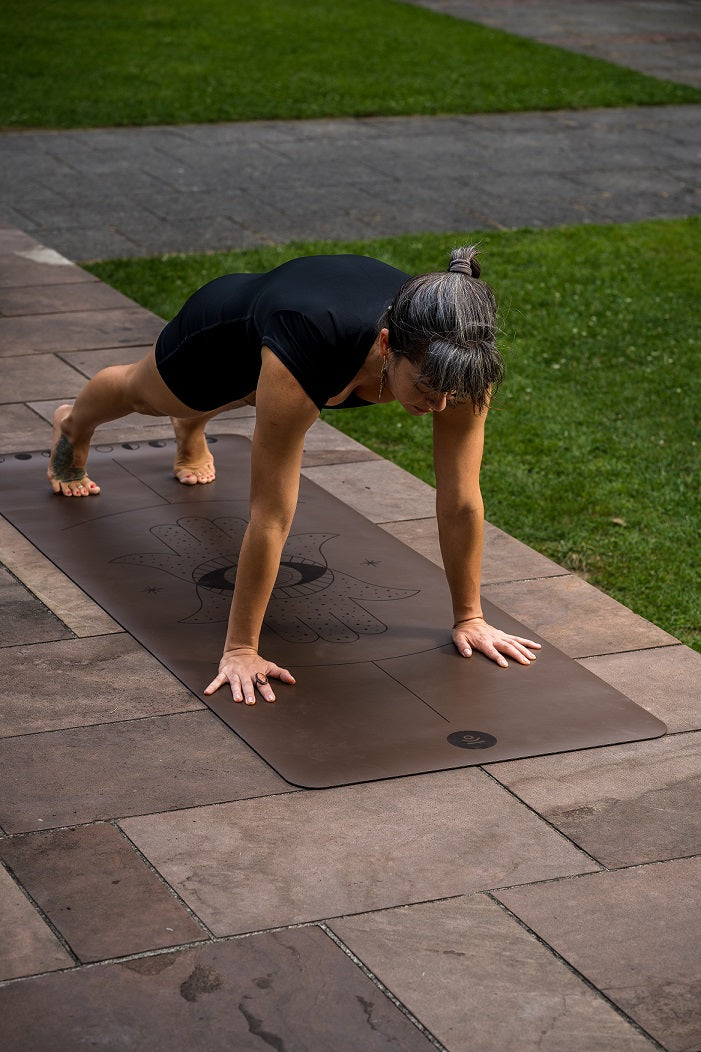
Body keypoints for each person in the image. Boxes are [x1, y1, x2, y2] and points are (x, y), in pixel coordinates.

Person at [48, 246, 540, 703]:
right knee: (144, 393)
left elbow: (459, 499)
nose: (440, 405)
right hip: (228, 331)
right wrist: (241, 648)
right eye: (429, 388)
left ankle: (192, 427)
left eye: (451, 392)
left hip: (310, 340)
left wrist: (470, 618)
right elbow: (271, 515)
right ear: (389, 345)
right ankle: (73, 425)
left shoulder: (459, 360)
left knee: (261, 401)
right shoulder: (310, 349)